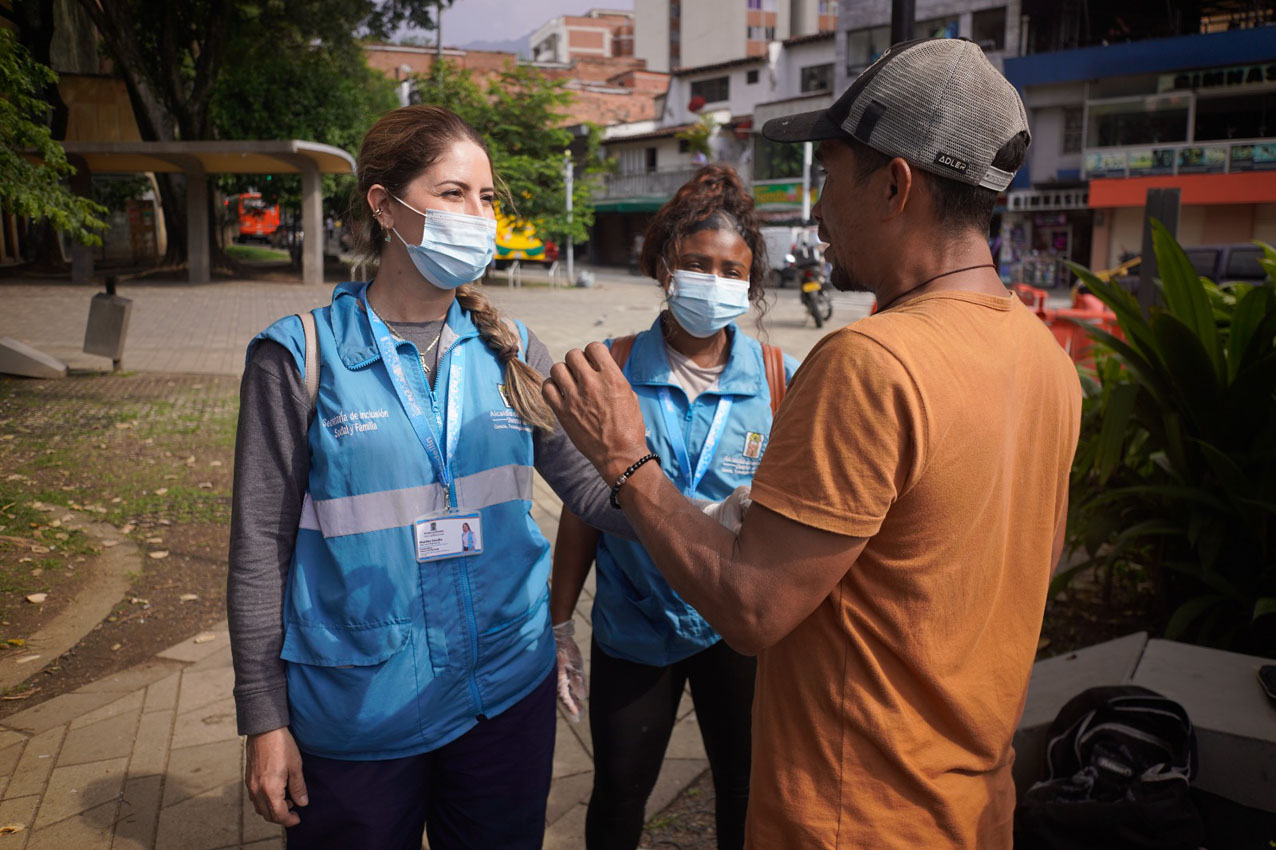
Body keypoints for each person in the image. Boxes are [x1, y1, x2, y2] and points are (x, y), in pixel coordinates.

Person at [542, 39, 1083, 849]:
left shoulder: (870, 362)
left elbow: (753, 608)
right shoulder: (1045, 357)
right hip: (971, 804)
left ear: (895, 185)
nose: (818, 212)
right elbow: (1022, 568)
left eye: (830, 173)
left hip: (852, 816)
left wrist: (625, 459)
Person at [227, 104, 631, 850]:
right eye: (453, 193)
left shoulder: (515, 350)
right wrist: (264, 718)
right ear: (385, 205)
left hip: (506, 695)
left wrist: (691, 497)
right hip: (358, 711)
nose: (477, 215)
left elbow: (596, 495)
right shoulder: (298, 357)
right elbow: (257, 549)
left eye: (486, 198)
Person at [550, 165, 797, 850]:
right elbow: (580, 511)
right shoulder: (611, 368)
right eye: (696, 264)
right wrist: (559, 622)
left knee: (744, 791)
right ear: (664, 266)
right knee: (619, 795)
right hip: (635, 630)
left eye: (729, 270)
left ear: (749, 285)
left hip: (734, 633)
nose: (712, 282)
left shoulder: (781, 379)